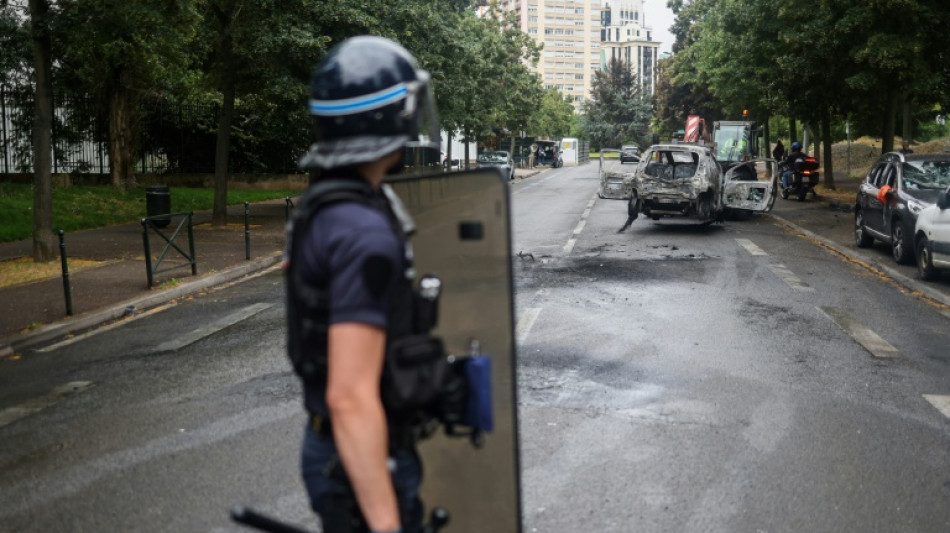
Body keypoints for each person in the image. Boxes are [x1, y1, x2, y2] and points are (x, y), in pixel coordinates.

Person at [288, 36, 443, 533]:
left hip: (335, 449)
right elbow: (350, 396)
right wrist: (385, 524)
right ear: (389, 118)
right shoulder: (363, 234)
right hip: (356, 457)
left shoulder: (330, 207)